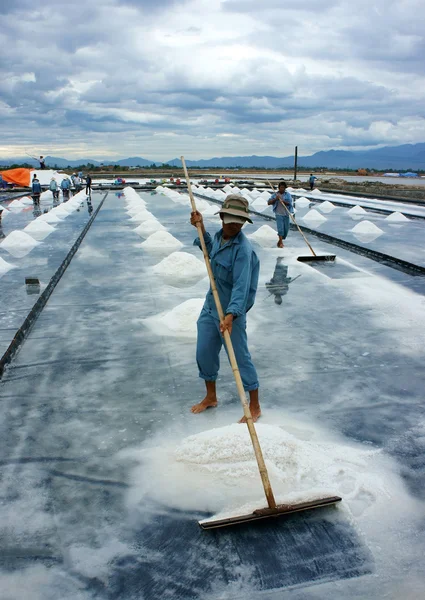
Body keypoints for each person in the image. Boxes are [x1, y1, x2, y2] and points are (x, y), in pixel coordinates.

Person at [190, 195, 261, 422]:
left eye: (239, 222)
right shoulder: (221, 237)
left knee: (240, 358)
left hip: (233, 312)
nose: (234, 225)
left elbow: (242, 286)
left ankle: (255, 405)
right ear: (221, 217)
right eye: (230, 220)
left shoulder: (243, 250)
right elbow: (209, 251)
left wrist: (231, 315)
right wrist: (200, 228)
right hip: (211, 306)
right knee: (204, 352)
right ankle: (211, 397)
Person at [267, 181, 293, 248]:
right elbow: (269, 202)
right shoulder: (275, 195)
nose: (282, 189)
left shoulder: (287, 195)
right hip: (278, 214)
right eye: (281, 187)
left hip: (286, 214)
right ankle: (281, 242)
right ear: (278, 188)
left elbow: (289, 203)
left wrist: (282, 201)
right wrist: (276, 199)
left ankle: (280, 241)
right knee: (280, 229)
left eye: (283, 188)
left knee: (285, 230)